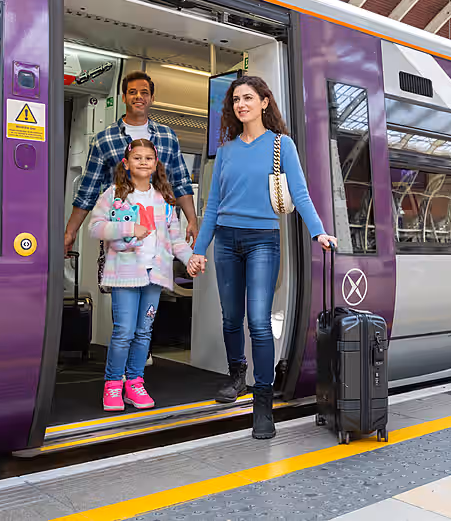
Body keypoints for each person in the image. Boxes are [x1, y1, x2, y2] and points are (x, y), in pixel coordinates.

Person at [188, 75, 337, 440]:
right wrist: (197, 251)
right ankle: (236, 375)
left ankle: (263, 403)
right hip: (225, 239)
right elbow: (212, 208)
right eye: (236, 99)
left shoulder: (281, 145)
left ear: (264, 103)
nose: (241, 104)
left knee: (258, 321)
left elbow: (299, 192)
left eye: (248, 98)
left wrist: (318, 230)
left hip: (263, 241)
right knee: (230, 318)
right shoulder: (225, 151)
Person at [90, 139, 194, 411]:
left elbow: (175, 240)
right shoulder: (113, 195)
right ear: (126, 163)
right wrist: (127, 230)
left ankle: (135, 382)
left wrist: (190, 259)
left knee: (143, 331)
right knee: (123, 331)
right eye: (138, 158)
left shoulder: (165, 201)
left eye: (149, 158)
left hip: (154, 276)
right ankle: (113, 384)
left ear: (156, 164)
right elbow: (95, 228)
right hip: (124, 275)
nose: (144, 162)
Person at [65, 71, 198, 255]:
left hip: (159, 233)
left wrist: (192, 220)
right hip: (120, 234)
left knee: (154, 283)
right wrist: (70, 233)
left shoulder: (167, 137)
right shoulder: (104, 139)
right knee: (117, 282)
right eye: (132, 92)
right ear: (124, 97)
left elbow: (181, 183)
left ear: (152, 98)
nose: (138, 97)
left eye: (144, 93)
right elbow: (88, 191)